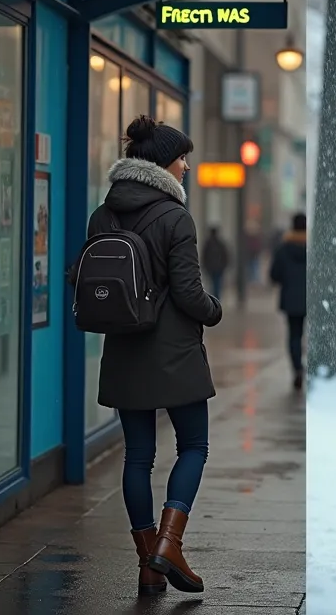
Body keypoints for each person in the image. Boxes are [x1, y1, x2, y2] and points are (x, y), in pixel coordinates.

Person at [71, 115, 222, 596]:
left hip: (123, 349)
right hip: (174, 351)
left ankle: (148, 564)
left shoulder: (103, 215)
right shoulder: (176, 217)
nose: (188, 168)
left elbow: (80, 276)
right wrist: (214, 311)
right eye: (183, 159)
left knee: (137, 457)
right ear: (163, 164)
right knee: (193, 447)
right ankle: (169, 545)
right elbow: (189, 293)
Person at [269, 212, 308, 391]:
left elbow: (274, 275)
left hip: (291, 299)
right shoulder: (312, 247)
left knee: (294, 336)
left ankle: (297, 368)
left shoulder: (284, 248)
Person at [202, 226, 230, 299]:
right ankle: (216, 297)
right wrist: (224, 266)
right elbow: (226, 256)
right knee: (217, 283)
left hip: (211, 267)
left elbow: (204, 256)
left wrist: (205, 266)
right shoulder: (220, 243)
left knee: (212, 283)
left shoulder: (208, 244)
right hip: (218, 268)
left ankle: (214, 297)